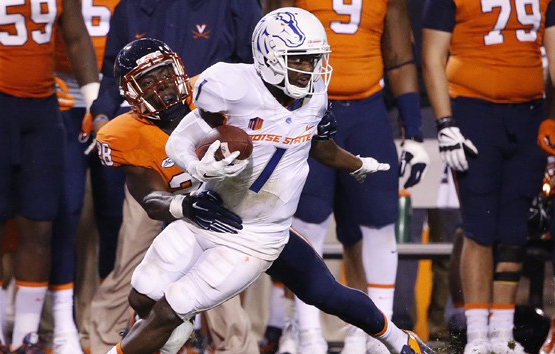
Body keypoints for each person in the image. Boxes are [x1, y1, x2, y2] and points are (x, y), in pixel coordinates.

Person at [103, 9, 433, 354]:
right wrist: (197, 182)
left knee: (174, 310)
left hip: (258, 236)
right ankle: (170, 342)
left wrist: (357, 164)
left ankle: (400, 340)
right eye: (300, 61)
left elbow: (322, 148)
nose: (309, 70)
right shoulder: (225, 88)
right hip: (207, 215)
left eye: (313, 60)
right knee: (142, 295)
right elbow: (180, 144)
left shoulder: (313, 95)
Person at [84, 1, 265, 353]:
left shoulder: (233, 5)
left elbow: (255, 73)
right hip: (150, 145)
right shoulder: (130, 8)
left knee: (219, 260)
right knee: (133, 259)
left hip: (210, 148)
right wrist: (103, 112)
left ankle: (236, 346)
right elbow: (111, 72)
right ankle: (100, 341)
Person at [258, 1, 430, 353]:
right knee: (306, 220)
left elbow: (398, 57)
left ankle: (377, 332)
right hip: (305, 108)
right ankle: (306, 330)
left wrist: (412, 130)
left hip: (367, 110)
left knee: (378, 223)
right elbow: (267, 45)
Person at [0, 0, 100, 352]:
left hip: (42, 106)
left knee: (40, 223)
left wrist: (93, 101)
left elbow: (75, 36)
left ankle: (26, 337)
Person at [423, 0, 555, 352]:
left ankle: (502, 331)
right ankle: (478, 333)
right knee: (478, 226)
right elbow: (433, 55)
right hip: (472, 110)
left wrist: (553, 115)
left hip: (528, 114)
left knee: (514, 229)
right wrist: (445, 121)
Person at [48, 1, 123, 352]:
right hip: (61, 97)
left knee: (114, 217)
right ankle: (63, 326)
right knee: (66, 212)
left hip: (117, 102)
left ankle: (109, 321)